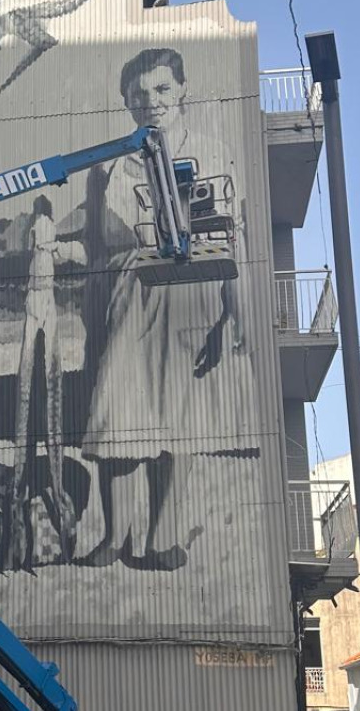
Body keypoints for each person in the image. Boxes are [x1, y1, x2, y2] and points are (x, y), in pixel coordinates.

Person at [78, 48, 248, 572]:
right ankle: (115, 536)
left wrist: (233, 318)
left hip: (193, 290)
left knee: (180, 421)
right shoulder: (107, 166)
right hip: (131, 294)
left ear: (183, 91)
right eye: (139, 93)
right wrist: (92, 319)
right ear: (126, 101)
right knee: (119, 419)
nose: (151, 102)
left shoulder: (214, 153)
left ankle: (163, 539)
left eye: (162, 90)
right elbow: (94, 251)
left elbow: (232, 239)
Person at [4, 195, 84, 569]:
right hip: (39, 298)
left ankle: (44, 492)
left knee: (47, 384)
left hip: (42, 298)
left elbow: (50, 254)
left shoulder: (40, 228)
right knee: (41, 386)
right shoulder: (39, 226)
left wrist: (55, 247)